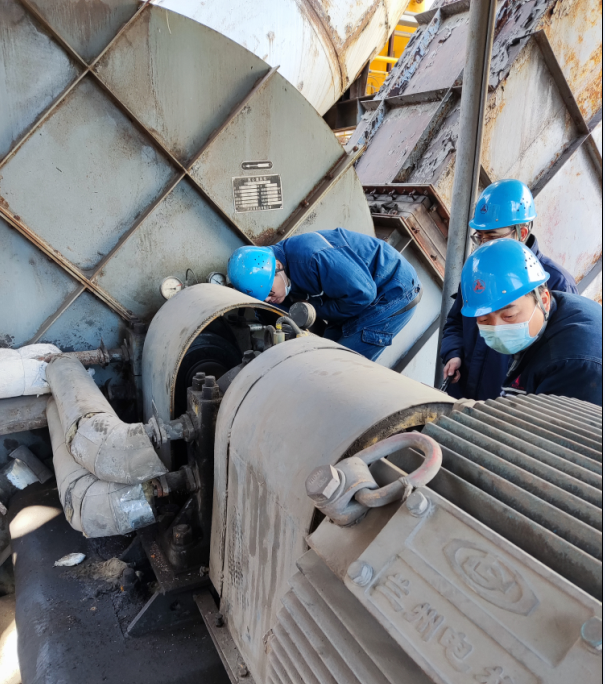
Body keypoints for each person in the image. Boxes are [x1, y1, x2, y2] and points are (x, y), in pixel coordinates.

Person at [441, 179, 578, 400]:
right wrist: (453, 353)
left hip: (505, 406)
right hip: (461, 394)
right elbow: (456, 321)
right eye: (480, 237)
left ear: (522, 232)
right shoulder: (478, 269)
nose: (484, 244)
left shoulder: (557, 283)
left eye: (492, 236)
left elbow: (559, 357)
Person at [227, 228, 422, 360]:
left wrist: (314, 309)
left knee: (339, 364)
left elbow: (363, 294)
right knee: (321, 350)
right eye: (263, 298)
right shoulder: (274, 274)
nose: (269, 299)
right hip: (353, 296)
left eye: (269, 293)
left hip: (392, 292)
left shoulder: (313, 258)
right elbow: (275, 309)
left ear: (278, 266)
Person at [460, 238, 602, 405]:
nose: (497, 330)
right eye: (484, 320)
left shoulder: (573, 366)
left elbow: (550, 421)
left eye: (509, 316)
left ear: (544, 300)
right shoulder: (547, 315)